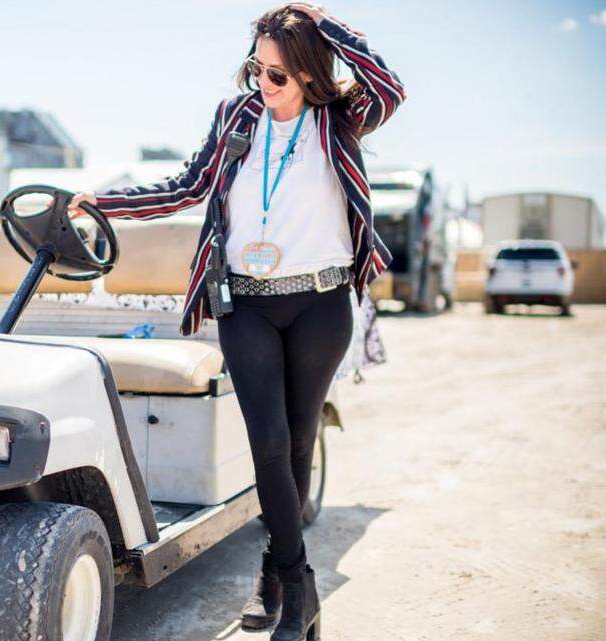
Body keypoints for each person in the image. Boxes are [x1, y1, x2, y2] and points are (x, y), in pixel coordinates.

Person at [67, 5, 404, 639]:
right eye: (257, 67)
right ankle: (301, 592)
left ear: (308, 70)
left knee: (300, 442)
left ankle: (271, 574)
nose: (263, 83)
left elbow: (390, 87)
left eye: (278, 72)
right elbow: (187, 187)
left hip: (321, 304)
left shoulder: (340, 118)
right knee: (270, 444)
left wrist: (318, 24)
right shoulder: (236, 117)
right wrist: (105, 202)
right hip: (245, 302)